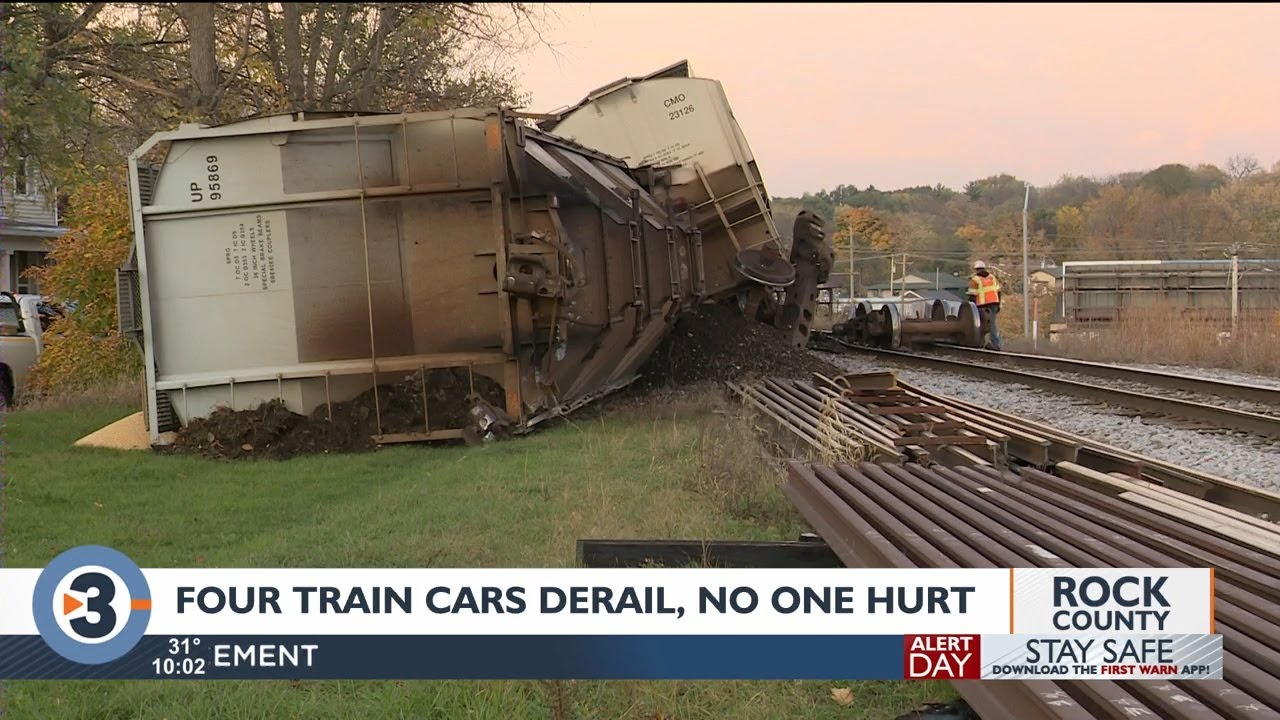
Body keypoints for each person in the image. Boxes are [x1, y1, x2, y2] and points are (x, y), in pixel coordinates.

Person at [967, 260, 1002, 350]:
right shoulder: (992, 278)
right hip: (994, 303)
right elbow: (998, 291)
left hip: (982, 305)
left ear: (976, 269)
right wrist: (998, 304)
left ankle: (981, 343)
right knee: (993, 324)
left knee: (979, 324)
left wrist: (971, 308)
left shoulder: (975, 280)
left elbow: (972, 295)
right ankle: (996, 344)